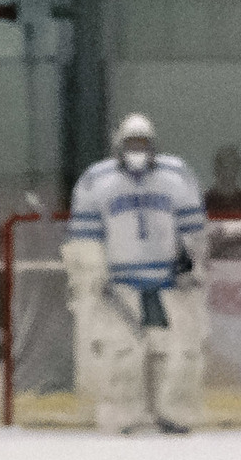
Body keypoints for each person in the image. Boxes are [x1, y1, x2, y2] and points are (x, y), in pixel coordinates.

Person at [65, 113, 208, 434]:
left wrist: (192, 266)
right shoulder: (94, 180)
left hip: (169, 284)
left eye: (143, 143)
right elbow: (85, 236)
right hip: (120, 284)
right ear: (119, 145)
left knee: (177, 352)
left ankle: (175, 414)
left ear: (154, 144)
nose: (137, 149)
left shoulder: (178, 175)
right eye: (131, 143)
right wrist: (91, 272)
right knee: (121, 354)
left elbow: (194, 232)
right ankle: (123, 416)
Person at [203, 144, 241, 217]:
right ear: (216, 170)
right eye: (224, 166)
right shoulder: (204, 204)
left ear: (238, 169)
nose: (228, 172)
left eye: (233, 166)